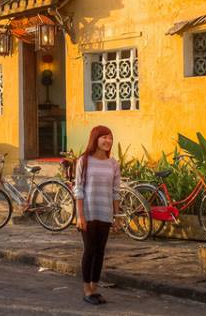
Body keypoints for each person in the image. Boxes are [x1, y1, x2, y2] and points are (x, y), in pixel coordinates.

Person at [73, 125, 122, 306]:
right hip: (88, 212)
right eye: (104, 137)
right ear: (95, 139)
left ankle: (95, 287)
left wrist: (118, 216)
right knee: (90, 250)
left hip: (105, 213)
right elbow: (78, 189)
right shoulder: (84, 161)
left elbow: (116, 192)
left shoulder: (113, 164)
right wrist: (80, 216)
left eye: (110, 137)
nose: (107, 141)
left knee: (100, 251)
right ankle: (87, 289)